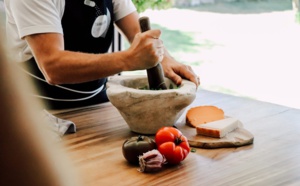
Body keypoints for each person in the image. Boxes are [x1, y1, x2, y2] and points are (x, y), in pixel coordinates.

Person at [4, 0, 200, 109]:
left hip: (98, 102)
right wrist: (128, 59)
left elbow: (137, 32)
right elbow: (53, 66)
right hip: (40, 114)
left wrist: (165, 59)